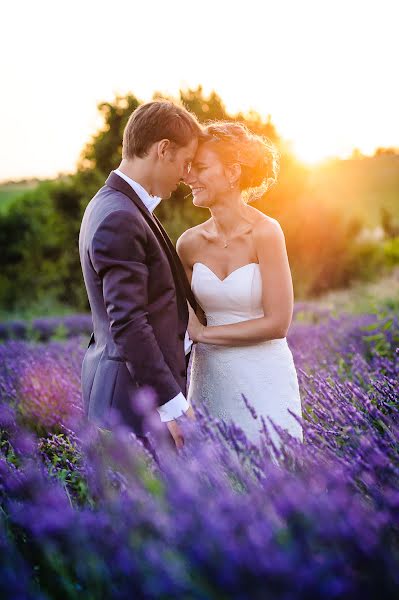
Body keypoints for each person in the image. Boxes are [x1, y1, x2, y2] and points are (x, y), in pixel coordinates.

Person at [79, 100, 202, 453]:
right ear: (163, 150)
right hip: (136, 404)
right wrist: (172, 407)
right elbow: (129, 322)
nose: (185, 174)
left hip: (126, 394)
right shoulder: (122, 216)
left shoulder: (115, 204)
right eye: (184, 162)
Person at [177, 121, 303, 447]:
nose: (188, 176)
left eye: (201, 167)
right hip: (209, 381)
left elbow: (278, 323)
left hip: (264, 377)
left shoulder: (266, 232)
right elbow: (183, 322)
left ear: (232, 173)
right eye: (188, 167)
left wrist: (205, 335)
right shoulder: (188, 244)